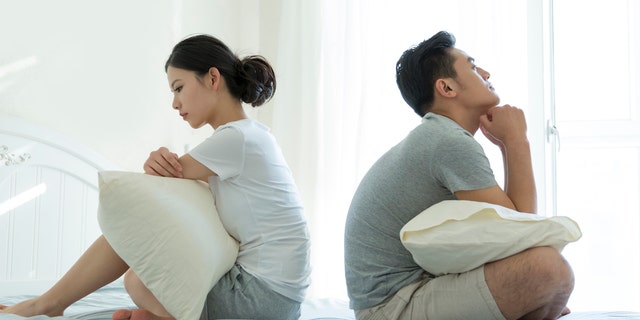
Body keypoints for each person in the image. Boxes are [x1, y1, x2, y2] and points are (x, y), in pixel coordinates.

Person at [0, 34, 311, 320]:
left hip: (257, 297)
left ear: (213, 78)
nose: (175, 103)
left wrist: (155, 162)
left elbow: (157, 192)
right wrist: (158, 163)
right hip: (278, 299)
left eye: (179, 88)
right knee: (142, 267)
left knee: (136, 270)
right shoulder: (250, 138)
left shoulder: (236, 139)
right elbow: (176, 189)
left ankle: (47, 304)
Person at [344, 31, 574, 320]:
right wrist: (517, 141)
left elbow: (516, 231)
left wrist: (507, 145)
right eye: (474, 67)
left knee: (547, 274)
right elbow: (523, 234)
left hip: (403, 295)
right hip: (392, 308)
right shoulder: (448, 142)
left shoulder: (439, 136)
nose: (486, 73)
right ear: (447, 88)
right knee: (549, 269)